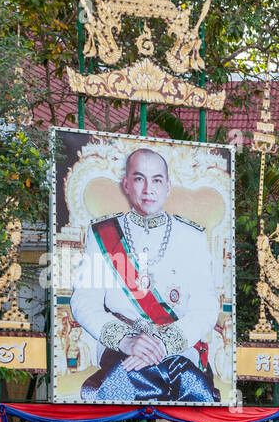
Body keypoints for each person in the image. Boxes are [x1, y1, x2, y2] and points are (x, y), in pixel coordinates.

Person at [71, 147, 221, 402]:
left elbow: (206, 308)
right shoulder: (103, 234)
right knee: (122, 385)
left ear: (168, 186)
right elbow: (84, 302)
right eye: (139, 178)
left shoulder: (192, 237)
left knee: (186, 386)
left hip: (178, 352)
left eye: (157, 180)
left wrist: (163, 344)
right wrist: (127, 341)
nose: (148, 188)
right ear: (126, 184)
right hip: (121, 352)